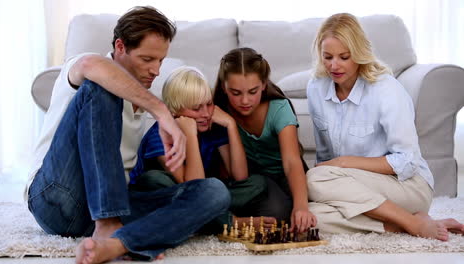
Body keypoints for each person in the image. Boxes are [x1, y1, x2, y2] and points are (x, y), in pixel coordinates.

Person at [25, 6, 230, 264]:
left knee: (214, 192)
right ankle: (109, 223)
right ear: (120, 47)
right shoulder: (88, 67)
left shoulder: (139, 98)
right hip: (55, 198)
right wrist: (161, 111)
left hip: (108, 208)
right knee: (102, 87)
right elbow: (92, 66)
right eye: (147, 59)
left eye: (161, 61)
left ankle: (120, 243)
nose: (156, 70)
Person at [306, 12, 464, 241]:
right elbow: (324, 156)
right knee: (309, 217)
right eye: (327, 57)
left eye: (344, 57)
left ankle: (410, 221)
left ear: (359, 54)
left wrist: (342, 164)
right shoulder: (316, 88)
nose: (334, 65)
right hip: (350, 186)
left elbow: (407, 161)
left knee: (314, 179)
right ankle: (402, 223)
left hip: (407, 185)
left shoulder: (386, 89)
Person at [129, 66, 269, 232]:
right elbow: (195, 188)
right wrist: (190, 135)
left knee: (256, 183)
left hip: (192, 198)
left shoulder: (212, 127)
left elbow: (240, 176)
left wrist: (231, 125)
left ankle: (203, 218)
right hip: (160, 195)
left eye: (208, 104)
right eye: (196, 108)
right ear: (174, 112)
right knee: (153, 178)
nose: (206, 114)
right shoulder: (159, 136)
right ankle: (231, 222)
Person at [214, 47, 317, 232]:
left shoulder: (279, 109)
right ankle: (231, 218)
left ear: (263, 84)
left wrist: (301, 206)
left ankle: (231, 216)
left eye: (253, 91)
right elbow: (229, 172)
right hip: (250, 181)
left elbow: (292, 162)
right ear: (224, 87)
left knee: (283, 213)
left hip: (282, 176)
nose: (245, 101)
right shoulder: (221, 112)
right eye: (236, 93)